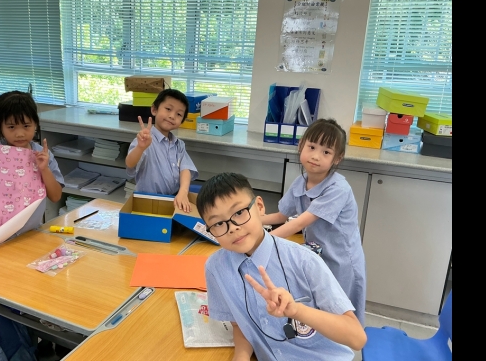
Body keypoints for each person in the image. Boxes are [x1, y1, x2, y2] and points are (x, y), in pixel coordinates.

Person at [196, 172, 367, 361]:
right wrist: (241, 356)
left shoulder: (304, 261)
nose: (233, 228)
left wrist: (297, 311)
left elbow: (357, 338)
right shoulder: (216, 268)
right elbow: (239, 324)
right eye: (219, 223)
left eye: (239, 212)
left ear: (259, 207)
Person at [261, 118, 366, 326]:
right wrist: (250, 223)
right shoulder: (300, 182)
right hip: (317, 255)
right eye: (311, 147)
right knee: (317, 309)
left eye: (326, 152)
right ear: (301, 146)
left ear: (337, 158)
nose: (316, 156)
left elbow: (299, 223)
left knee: (340, 314)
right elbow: (281, 216)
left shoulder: (338, 188)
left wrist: (261, 242)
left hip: (341, 261)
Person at [0, 90, 64, 236]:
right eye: (11, 127)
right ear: (0, 126)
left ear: (35, 124)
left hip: (31, 231)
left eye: (26, 126)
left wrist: (44, 169)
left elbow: (56, 196)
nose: (20, 134)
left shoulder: (43, 155)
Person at [125, 88, 199, 212]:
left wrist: (183, 192)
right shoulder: (144, 140)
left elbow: (185, 169)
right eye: (168, 109)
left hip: (173, 201)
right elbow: (130, 163)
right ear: (154, 109)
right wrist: (140, 147)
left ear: (182, 121)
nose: (172, 116)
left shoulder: (179, 144)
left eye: (179, 114)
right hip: (147, 203)